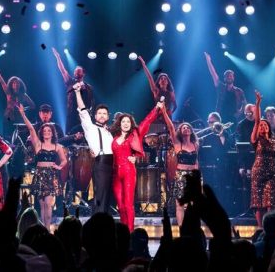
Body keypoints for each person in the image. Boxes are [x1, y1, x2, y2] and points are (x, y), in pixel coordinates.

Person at [109, 100, 162, 231]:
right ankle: (124, 231)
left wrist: (156, 108)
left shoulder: (135, 134)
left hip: (128, 171)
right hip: (115, 174)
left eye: (128, 121)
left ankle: (130, 232)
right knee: (120, 205)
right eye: (123, 121)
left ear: (131, 124)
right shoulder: (113, 137)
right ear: (119, 123)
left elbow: (147, 121)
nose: (126, 123)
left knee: (128, 204)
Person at [17, 103, 67, 229]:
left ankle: (48, 229)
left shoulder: (57, 146)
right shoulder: (38, 144)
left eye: (49, 131)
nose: (46, 132)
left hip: (51, 175)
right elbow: (30, 128)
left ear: (52, 133)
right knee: (42, 205)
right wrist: (22, 114)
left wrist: (59, 167)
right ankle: (44, 229)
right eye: (44, 131)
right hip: (39, 174)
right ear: (41, 133)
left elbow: (64, 160)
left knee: (49, 204)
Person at [73, 83, 112, 214]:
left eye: (104, 113)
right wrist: (77, 92)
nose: (102, 115)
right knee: (100, 195)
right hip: (101, 163)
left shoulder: (110, 132)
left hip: (112, 164)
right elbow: (83, 111)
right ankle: (97, 221)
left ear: (108, 117)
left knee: (108, 197)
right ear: (95, 116)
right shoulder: (90, 127)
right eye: (99, 113)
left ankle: (105, 220)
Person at [161, 100, 199, 226]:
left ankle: (192, 228)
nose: (186, 128)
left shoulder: (195, 144)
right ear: (180, 131)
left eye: (188, 127)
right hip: (181, 175)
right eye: (183, 127)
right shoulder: (177, 144)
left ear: (191, 131)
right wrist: (164, 111)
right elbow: (171, 127)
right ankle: (182, 229)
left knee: (194, 203)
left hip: (193, 175)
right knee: (180, 204)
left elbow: (196, 161)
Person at [249, 91, 275, 227]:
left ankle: (270, 227)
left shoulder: (274, 141)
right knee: (258, 203)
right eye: (260, 125)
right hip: (258, 172)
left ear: (268, 127)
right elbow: (256, 121)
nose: (262, 126)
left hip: (272, 173)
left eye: (264, 125)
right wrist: (258, 103)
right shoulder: (256, 140)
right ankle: (261, 229)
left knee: (269, 202)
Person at [53, 47, 94, 134]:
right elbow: (63, 70)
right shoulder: (70, 82)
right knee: (70, 135)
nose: (76, 73)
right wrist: (58, 57)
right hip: (71, 115)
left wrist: (89, 113)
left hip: (83, 116)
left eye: (79, 71)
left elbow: (91, 102)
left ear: (83, 73)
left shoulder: (88, 87)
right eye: (75, 71)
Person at [0, 63, 36, 137]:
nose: (15, 84)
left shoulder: (23, 95)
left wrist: (24, 109)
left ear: (20, 84)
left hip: (19, 119)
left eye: (17, 83)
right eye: (14, 83)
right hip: (8, 117)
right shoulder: (8, 92)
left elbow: (33, 106)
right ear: (11, 84)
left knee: (18, 137)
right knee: (7, 136)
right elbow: (2, 82)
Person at [204, 52, 247, 121]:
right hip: (221, 117)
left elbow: (245, 103)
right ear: (224, 78)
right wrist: (208, 60)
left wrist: (240, 112)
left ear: (233, 78)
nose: (229, 77)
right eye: (227, 76)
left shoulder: (239, 91)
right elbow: (213, 73)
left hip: (234, 118)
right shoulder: (221, 87)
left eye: (230, 76)